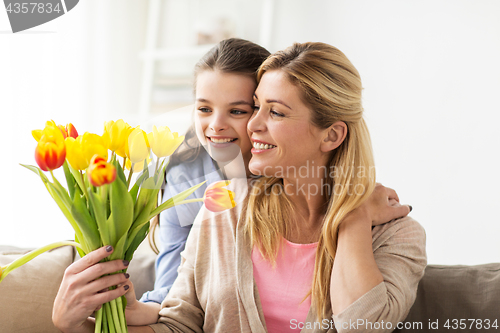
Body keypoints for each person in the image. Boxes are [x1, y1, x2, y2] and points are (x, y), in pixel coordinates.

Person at [53, 42, 426, 333]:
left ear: (331, 134)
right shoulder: (222, 208)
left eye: (274, 112)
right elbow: (178, 325)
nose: (252, 125)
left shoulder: (397, 235)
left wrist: (353, 215)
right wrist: (76, 325)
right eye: (256, 107)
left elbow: (361, 326)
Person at [141, 38, 271, 304]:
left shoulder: (290, 169)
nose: (216, 125)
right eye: (204, 109)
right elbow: (171, 279)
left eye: (237, 111)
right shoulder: (184, 172)